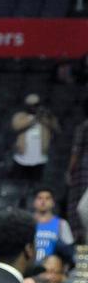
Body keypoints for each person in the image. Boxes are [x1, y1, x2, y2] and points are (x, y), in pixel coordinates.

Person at [11, 93, 60, 188]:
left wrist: (46, 116)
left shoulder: (45, 117)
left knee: (37, 186)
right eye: (31, 105)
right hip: (22, 158)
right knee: (20, 185)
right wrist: (34, 119)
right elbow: (16, 126)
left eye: (36, 105)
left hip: (40, 158)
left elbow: (56, 128)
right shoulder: (20, 116)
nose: (34, 107)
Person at [32, 186, 74, 262]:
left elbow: (69, 251)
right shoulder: (27, 223)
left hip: (52, 270)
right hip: (30, 270)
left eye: (47, 198)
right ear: (34, 202)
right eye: (39, 198)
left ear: (53, 202)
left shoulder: (62, 224)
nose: (43, 201)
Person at [67, 98, 88, 242]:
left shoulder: (83, 127)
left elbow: (76, 152)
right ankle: (83, 264)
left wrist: (69, 172)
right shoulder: (84, 127)